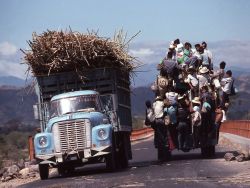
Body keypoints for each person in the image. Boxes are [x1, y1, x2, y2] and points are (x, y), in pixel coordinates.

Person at [152, 96, 170, 161]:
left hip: (156, 121)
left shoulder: (154, 104)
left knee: (159, 134)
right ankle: (165, 143)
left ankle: (159, 143)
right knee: (164, 133)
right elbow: (168, 104)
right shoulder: (162, 103)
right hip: (161, 120)